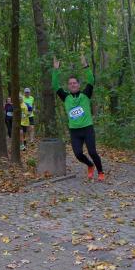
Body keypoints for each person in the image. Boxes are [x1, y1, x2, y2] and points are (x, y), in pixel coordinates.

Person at [51, 52, 104, 181]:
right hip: (75, 131)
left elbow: (91, 80)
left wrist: (85, 65)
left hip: (87, 128)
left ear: (79, 85)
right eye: (70, 83)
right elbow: (55, 85)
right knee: (78, 154)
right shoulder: (66, 97)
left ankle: (100, 172)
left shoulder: (85, 95)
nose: (73, 85)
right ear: (68, 86)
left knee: (92, 152)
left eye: (75, 83)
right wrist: (56, 70)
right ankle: (90, 165)